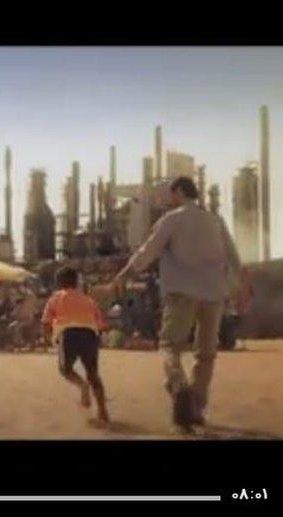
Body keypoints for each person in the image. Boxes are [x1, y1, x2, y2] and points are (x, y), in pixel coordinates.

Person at [110, 176, 241, 432]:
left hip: (181, 293)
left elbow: (148, 250)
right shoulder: (216, 220)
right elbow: (234, 259)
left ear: (179, 192)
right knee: (206, 353)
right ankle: (197, 407)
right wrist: (234, 290)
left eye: (169, 193)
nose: (166, 198)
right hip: (214, 295)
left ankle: (179, 386)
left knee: (170, 345)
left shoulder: (172, 219)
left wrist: (125, 273)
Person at [42, 266, 110, 425]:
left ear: (59, 283)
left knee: (65, 369)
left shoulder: (56, 298)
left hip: (68, 333)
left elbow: (45, 322)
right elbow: (100, 324)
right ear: (76, 282)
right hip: (90, 334)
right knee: (93, 373)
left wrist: (48, 338)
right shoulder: (88, 300)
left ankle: (82, 385)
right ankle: (103, 411)